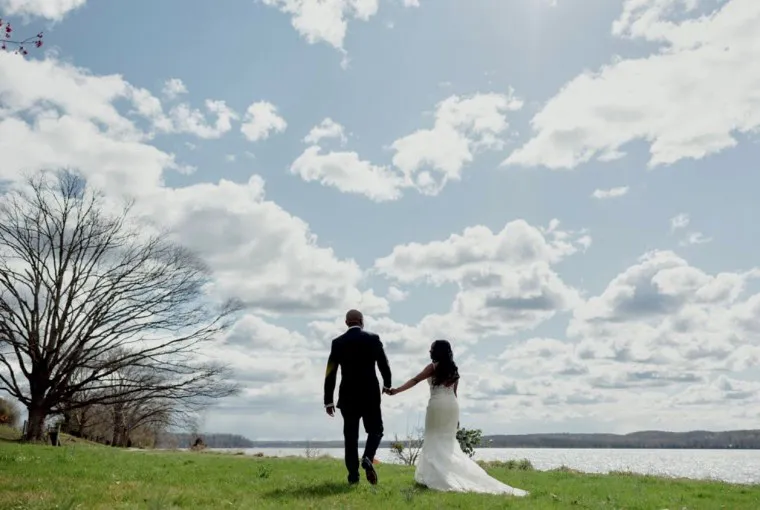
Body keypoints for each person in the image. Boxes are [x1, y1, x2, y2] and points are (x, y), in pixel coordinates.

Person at [387, 340, 528, 496]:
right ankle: (442, 473)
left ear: (437, 351)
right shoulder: (454, 369)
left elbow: (415, 380)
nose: (429, 351)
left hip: (437, 405)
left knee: (433, 439)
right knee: (447, 442)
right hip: (452, 407)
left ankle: (436, 477)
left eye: (432, 349)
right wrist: (457, 417)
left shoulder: (433, 367)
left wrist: (396, 391)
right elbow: (455, 393)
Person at [324, 309, 392, 485]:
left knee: (351, 438)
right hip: (370, 394)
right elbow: (384, 363)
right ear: (362, 321)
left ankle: (353, 477)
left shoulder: (338, 342)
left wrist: (328, 400)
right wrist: (387, 383)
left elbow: (330, 373)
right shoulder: (373, 339)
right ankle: (368, 457)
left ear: (346, 322)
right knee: (376, 430)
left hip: (348, 396)